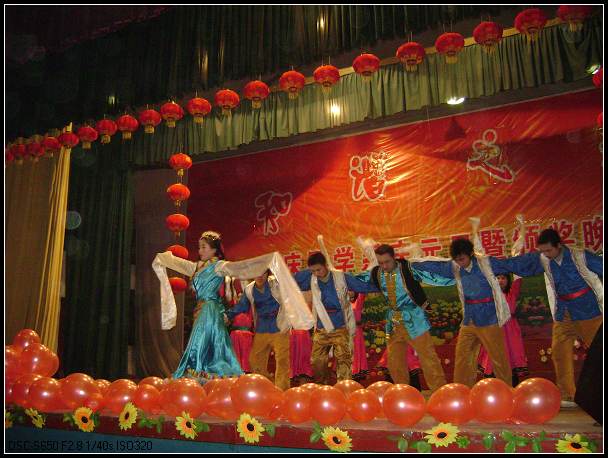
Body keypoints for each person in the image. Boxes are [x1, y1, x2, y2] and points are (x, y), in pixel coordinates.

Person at [152, 231, 313, 381]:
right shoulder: (197, 267)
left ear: (214, 250)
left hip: (210, 310)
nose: (200, 251)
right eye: (199, 247)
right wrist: (164, 259)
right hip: (202, 310)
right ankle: (207, 379)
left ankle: (199, 378)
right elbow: (182, 265)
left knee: (199, 345)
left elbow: (242, 267)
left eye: (204, 247)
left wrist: (267, 260)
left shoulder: (219, 266)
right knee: (209, 346)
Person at [501, 228, 603, 407]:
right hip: (563, 312)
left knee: (599, 352)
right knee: (559, 351)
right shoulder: (544, 259)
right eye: (542, 251)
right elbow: (520, 264)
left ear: (559, 245)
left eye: (549, 250)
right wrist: (490, 264)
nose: (546, 254)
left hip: (588, 311)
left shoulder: (579, 256)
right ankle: (567, 394)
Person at [411, 238, 514, 388]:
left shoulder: (485, 263)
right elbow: (436, 266)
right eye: (457, 260)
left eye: (462, 259)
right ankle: (462, 390)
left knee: (498, 357)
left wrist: (541, 259)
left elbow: (511, 264)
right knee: (462, 356)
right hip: (469, 319)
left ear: (471, 254)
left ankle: (507, 390)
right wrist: (411, 263)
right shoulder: (455, 267)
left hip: (489, 318)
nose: (460, 263)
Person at [356, 243, 450, 392]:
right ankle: (402, 393)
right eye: (380, 263)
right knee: (394, 361)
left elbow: (433, 276)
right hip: (394, 321)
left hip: (414, 319)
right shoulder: (377, 273)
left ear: (394, 258)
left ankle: (440, 392)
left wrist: (457, 275)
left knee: (428, 357)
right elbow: (358, 280)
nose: (384, 266)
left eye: (387, 262)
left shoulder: (407, 268)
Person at [294, 252, 378, 385]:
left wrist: (382, 285)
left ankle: (344, 388)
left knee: (344, 360)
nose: (316, 273)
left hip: (340, 326)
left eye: (319, 269)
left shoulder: (341, 277)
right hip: (321, 328)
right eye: (313, 270)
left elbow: (361, 285)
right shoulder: (311, 278)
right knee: (317, 361)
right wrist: (307, 271)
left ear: (326, 265)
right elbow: (292, 281)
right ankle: (322, 387)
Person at [226, 269, 292, 390]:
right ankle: (265, 387)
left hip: (279, 325)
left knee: (282, 360)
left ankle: (282, 390)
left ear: (268, 274)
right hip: (262, 327)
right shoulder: (250, 289)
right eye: (256, 273)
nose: (259, 276)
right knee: (255, 360)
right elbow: (241, 306)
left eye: (263, 273)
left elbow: (292, 283)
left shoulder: (276, 283)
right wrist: (227, 315)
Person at [477, 273, 529, 386]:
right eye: (498, 278)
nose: (500, 280)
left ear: (508, 280)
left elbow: (517, 280)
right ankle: (493, 387)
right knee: (493, 356)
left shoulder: (511, 294)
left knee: (511, 355)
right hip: (494, 329)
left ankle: (512, 388)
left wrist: (513, 263)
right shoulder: (490, 295)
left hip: (510, 331)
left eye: (503, 278)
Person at [348, 291, 368, 379]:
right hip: (347, 331)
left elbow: (362, 292)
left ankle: (356, 370)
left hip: (356, 332)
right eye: (348, 290)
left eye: (352, 290)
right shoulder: (344, 302)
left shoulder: (358, 301)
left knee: (356, 350)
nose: (350, 292)